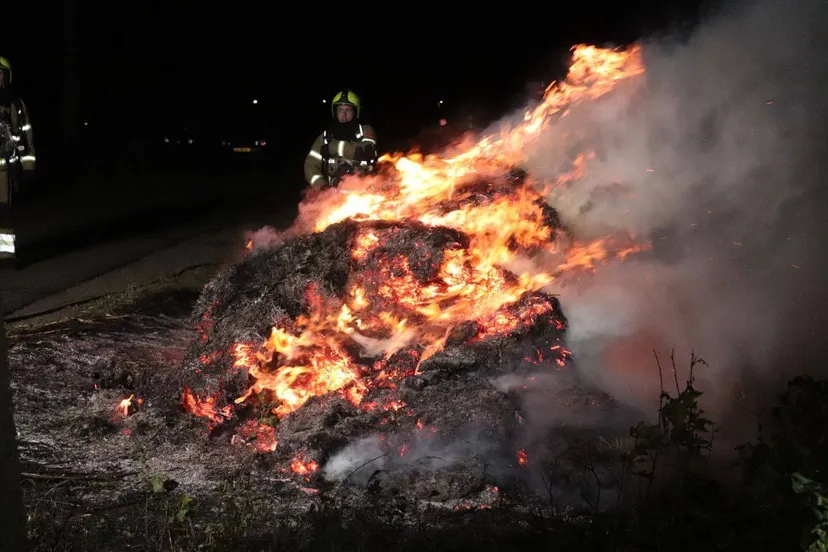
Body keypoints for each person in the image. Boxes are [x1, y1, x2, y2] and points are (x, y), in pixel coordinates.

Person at [304, 89, 377, 189]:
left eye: (348, 110)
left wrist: (333, 147)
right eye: (340, 110)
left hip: (364, 192)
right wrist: (322, 186)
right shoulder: (325, 138)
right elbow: (310, 165)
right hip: (334, 196)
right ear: (335, 112)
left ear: (356, 112)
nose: (343, 114)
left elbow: (364, 152)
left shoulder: (365, 130)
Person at [0, 56, 35, 264]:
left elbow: (25, 134)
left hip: (5, 172)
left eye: (0, 74)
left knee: (4, 213)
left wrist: (28, 166)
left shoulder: (16, 104)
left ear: (7, 76)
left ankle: (4, 256)